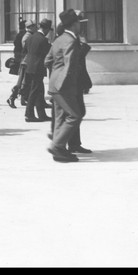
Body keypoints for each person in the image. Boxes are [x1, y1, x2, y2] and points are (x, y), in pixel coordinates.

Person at [45, 9, 91, 163]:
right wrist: (63, 85)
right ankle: (57, 145)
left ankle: (60, 151)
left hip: (54, 83)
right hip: (63, 86)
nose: (80, 26)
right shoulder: (71, 41)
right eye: (79, 23)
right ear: (74, 24)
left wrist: (55, 76)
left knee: (60, 116)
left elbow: (47, 60)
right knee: (74, 115)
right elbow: (70, 66)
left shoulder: (58, 39)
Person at [23, 19, 53, 122]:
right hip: (37, 67)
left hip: (30, 67)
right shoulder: (43, 40)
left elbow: (26, 49)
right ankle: (29, 114)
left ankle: (42, 114)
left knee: (39, 91)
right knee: (35, 91)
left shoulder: (31, 37)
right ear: (46, 29)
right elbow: (48, 53)